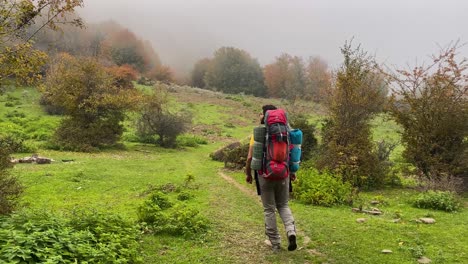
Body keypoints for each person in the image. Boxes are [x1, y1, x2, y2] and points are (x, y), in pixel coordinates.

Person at [245, 104, 297, 252]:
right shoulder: (285, 131)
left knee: (269, 209)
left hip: (265, 175)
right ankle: (291, 232)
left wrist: (248, 173)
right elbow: (292, 153)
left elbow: (250, 157)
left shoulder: (259, 133)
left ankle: (275, 243)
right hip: (283, 174)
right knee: (284, 205)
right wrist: (292, 172)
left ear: (264, 115)